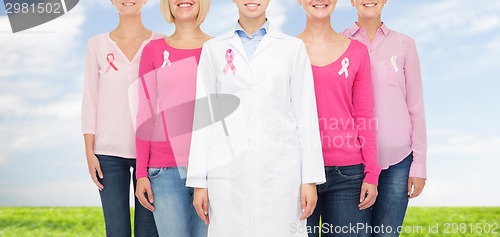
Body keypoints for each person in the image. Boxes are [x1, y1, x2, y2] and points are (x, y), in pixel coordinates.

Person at [185, 0, 326, 236]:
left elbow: (306, 116)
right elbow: (205, 119)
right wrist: (199, 181)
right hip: (228, 174)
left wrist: (310, 179)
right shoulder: (214, 49)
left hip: (280, 172)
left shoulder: (292, 48)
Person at [343, 0, 427, 236]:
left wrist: (419, 165)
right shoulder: (339, 43)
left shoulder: (405, 45)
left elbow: (416, 106)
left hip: (398, 162)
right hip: (353, 163)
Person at [297, 0, 381, 236]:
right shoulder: (287, 51)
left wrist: (371, 173)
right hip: (298, 173)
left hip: (349, 176)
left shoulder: (357, 51)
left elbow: (364, 114)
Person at [81, 0, 162, 236]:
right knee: (116, 231)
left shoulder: (161, 43)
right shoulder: (96, 45)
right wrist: (89, 152)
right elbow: (90, 101)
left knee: (149, 232)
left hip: (151, 154)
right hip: (108, 155)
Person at [134, 0, 211, 236]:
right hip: (164, 172)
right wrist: (140, 174)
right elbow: (144, 112)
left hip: (211, 170)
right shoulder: (153, 50)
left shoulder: (218, 48)